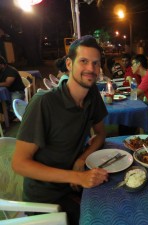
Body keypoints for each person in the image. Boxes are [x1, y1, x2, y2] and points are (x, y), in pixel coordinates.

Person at [12, 35, 109, 225]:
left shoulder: (92, 94)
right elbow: (19, 164)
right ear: (69, 64)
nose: (91, 68)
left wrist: (81, 159)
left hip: (74, 184)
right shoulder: (43, 102)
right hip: (46, 197)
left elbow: (101, 133)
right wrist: (77, 176)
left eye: (96, 63)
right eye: (84, 61)